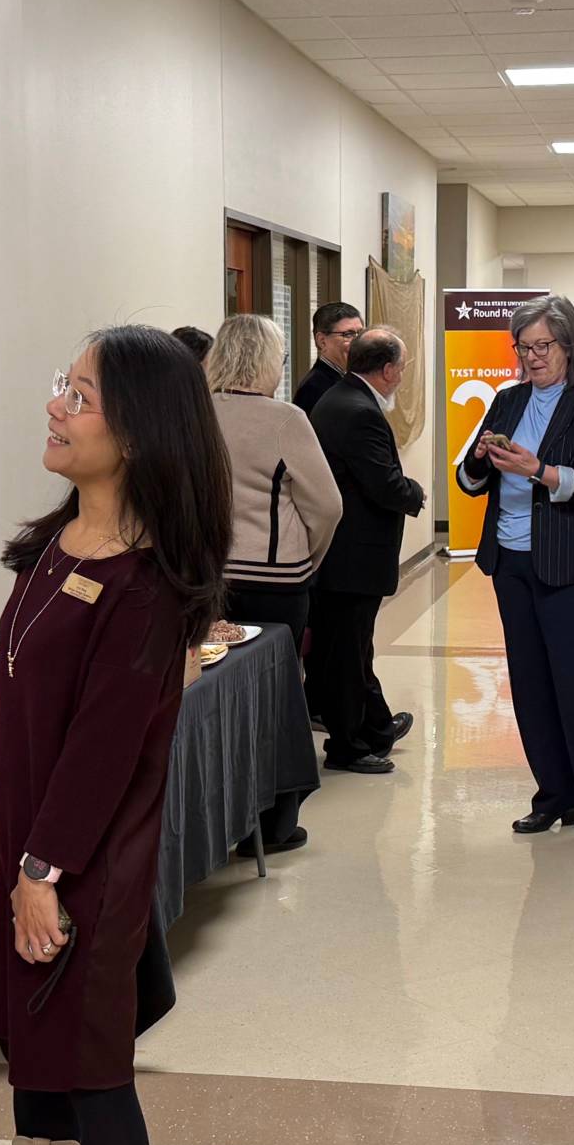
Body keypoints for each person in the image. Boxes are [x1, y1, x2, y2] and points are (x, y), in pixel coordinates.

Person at [0, 327, 233, 1145]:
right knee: (33, 1045)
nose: (58, 407)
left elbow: (105, 754)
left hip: (80, 868)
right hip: (24, 843)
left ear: (143, 432)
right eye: (60, 384)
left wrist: (41, 872)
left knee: (95, 1068)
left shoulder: (148, 587)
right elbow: (8, 674)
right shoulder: (59, 542)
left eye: (85, 396)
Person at [459, 296, 574, 844]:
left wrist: (543, 471)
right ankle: (554, 797)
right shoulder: (506, 402)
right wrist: (483, 459)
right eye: (523, 347)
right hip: (510, 562)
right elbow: (469, 480)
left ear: (569, 345)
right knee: (530, 687)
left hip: (572, 567)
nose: (532, 357)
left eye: (542, 346)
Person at [207, 313, 341, 850]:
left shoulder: (195, 413)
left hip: (209, 578)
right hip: (276, 582)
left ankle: (216, 816)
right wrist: (308, 558)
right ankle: (271, 824)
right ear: (269, 363)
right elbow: (327, 505)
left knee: (216, 700)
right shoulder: (285, 419)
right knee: (275, 703)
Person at [307, 326, 428, 774]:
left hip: (341, 553)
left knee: (352, 648)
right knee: (347, 651)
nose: (401, 377)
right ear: (389, 369)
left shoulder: (340, 398)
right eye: (401, 368)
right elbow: (382, 484)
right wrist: (414, 493)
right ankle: (347, 746)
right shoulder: (359, 411)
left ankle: (374, 728)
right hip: (351, 556)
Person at [293, 299, 363, 415]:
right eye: (348, 334)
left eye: (360, 333)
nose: (358, 342)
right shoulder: (314, 388)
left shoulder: (343, 379)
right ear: (322, 341)